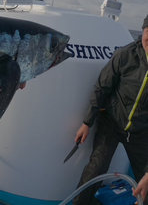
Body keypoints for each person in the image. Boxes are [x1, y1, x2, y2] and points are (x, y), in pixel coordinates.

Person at [73, 14, 148, 204]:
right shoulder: (125, 55)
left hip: (141, 131)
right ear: (143, 31)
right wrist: (87, 122)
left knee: (145, 180)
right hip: (112, 123)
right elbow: (101, 88)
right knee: (95, 168)